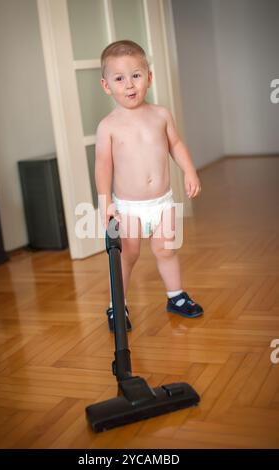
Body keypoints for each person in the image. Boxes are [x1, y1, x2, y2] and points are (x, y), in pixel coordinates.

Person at [95, 40, 203, 333]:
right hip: (128, 206)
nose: (129, 85)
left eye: (136, 75)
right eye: (119, 79)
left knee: (167, 250)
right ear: (107, 86)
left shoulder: (161, 114)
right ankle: (117, 304)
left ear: (149, 77)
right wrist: (106, 203)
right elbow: (103, 167)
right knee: (126, 256)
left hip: (163, 201)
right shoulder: (109, 126)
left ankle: (176, 296)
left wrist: (189, 170)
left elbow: (176, 144)